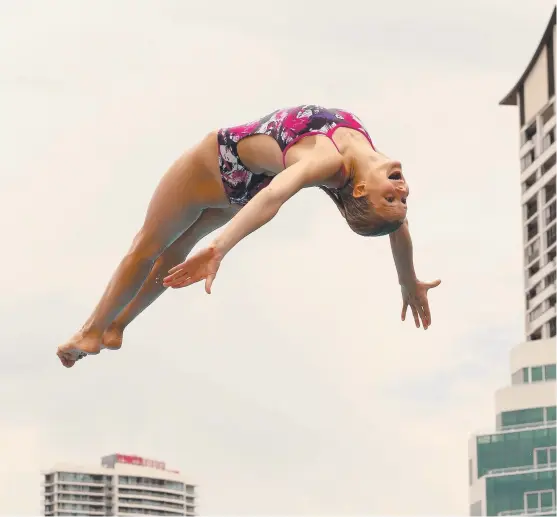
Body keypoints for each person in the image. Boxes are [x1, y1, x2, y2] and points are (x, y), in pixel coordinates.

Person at [57, 104, 441, 368]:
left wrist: (220, 247)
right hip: (245, 191)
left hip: (216, 166)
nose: (401, 188)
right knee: (176, 248)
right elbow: (399, 228)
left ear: (360, 192)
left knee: (146, 246)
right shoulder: (370, 161)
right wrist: (408, 280)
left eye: (391, 196)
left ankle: (93, 331)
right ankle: (118, 326)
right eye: (401, 197)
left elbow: (275, 196)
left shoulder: (330, 161)